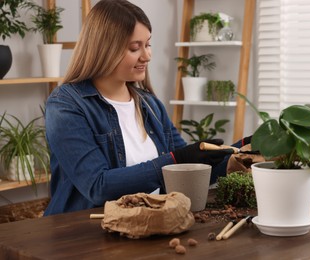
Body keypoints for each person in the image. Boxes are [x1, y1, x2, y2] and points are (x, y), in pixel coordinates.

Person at [44, 0, 251, 216]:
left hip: (148, 228)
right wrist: (174, 160)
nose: (147, 55)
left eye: (148, 44)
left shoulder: (149, 104)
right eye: (135, 47)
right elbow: (97, 186)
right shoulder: (66, 105)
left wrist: (244, 149)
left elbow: (185, 172)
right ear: (104, 49)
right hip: (83, 236)